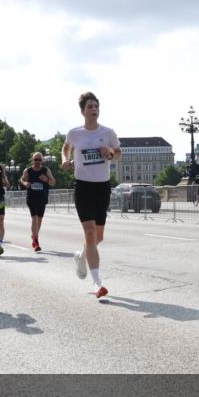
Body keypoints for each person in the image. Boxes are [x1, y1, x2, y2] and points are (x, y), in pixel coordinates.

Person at [62, 92, 120, 299]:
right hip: (83, 187)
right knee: (89, 233)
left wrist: (110, 154)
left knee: (98, 236)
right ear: (83, 111)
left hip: (102, 187)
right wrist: (65, 159)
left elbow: (119, 153)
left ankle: (81, 255)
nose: (94, 109)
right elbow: (66, 148)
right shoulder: (74, 133)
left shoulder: (108, 132)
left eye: (96, 106)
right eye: (90, 106)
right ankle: (97, 283)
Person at [20, 152, 55, 252]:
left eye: (39, 160)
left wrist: (47, 179)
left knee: (39, 220)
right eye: (36, 159)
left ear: (42, 160)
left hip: (42, 198)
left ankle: (34, 235)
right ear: (32, 160)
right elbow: (21, 179)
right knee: (34, 219)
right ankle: (36, 241)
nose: (37, 162)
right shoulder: (28, 170)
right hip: (31, 198)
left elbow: (53, 182)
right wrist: (25, 182)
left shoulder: (46, 170)